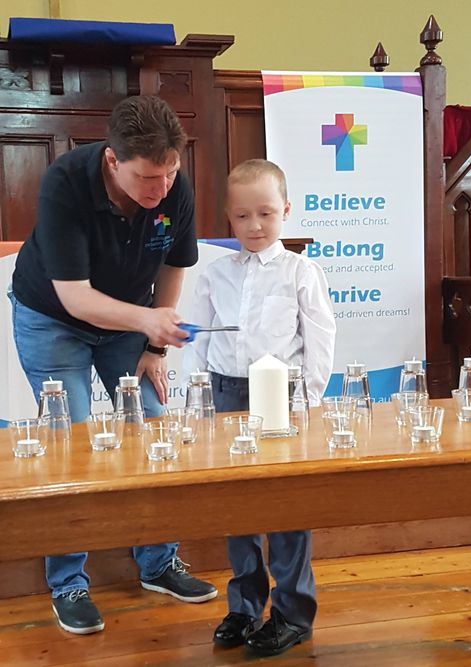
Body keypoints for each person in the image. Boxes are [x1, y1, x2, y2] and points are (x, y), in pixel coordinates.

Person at [8, 95, 217, 635]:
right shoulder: (66, 183)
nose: (162, 190)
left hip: (130, 323)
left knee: (151, 428)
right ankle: (69, 582)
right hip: (53, 316)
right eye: (149, 178)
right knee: (69, 438)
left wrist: (154, 346)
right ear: (112, 162)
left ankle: (158, 563)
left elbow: (173, 267)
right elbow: (75, 299)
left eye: (170, 173)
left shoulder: (176, 185)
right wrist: (146, 322)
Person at [184, 159, 336, 657]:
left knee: (286, 507)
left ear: (286, 212)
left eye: (266, 214)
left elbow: (319, 339)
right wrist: (199, 397)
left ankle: (293, 613)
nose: (254, 226)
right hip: (227, 393)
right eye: (243, 216)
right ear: (229, 216)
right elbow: (200, 338)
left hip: (283, 399)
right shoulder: (215, 273)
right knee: (237, 505)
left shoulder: (301, 271)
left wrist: (308, 400)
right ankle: (245, 604)